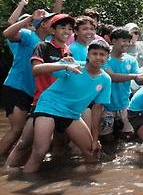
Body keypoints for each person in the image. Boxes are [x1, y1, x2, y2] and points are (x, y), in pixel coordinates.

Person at [10, 39, 112, 173]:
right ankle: (25, 184)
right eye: (94, 53)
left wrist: (95, 139)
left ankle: (89, 184)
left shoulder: (105, 79)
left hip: (71, 114)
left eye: (102, 54)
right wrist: (64, 66)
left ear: (107, 57)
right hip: (49, 107)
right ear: (88, 55)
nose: (98, 57)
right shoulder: (74, 66)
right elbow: (37, 70)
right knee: (40, 151)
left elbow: (97, 110)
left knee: (91, 151)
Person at [0, 9, 51, 156]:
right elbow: (7, 32)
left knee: (25, 132)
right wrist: (29, 17)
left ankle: (10, 159)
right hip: (15, 88)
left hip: (32, 93)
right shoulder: (28, 36)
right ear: (41, 25)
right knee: (17, 129)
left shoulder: (47, 43)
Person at [102, 28, 143, 142]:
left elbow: (138, 80)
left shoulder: (131, 60)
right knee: (106, 139)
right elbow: (112, 77)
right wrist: (134, 76)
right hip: (105, 106)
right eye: (123, 41)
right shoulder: (104, 58)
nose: (127, 44)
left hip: (124, 104)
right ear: (113, 40)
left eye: (128, 41)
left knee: (127, 137)